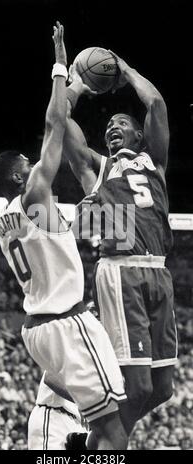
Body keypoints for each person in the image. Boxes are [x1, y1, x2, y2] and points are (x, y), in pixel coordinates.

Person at [0, 22, 128, 450]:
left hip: (38, 332)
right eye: (29, 163)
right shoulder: (33, 194)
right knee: (116, 431)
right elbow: (54, 125)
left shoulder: (6, 218)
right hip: (65, 323)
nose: (37, 164)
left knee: (98, 424)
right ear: (18, 174)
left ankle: (74, 451)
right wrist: (64, 71)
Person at [63, 53, 178, 436]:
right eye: (109, 124)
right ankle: (104, 447)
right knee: (139, 386)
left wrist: (125, 70)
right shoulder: (99, 169)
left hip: (159, 273)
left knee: (162, 389)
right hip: (121, 273)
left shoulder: (155, 163)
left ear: (139, 136)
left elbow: (156, 103)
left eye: (122, 123)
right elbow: (61, 123)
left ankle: (96, 440)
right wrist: (76, 84)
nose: (113, 126)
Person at [28, 371, 87, 450]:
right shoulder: (76, 358)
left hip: (77, 423)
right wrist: (80, 401)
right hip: (54, 416)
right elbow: (50, 378)